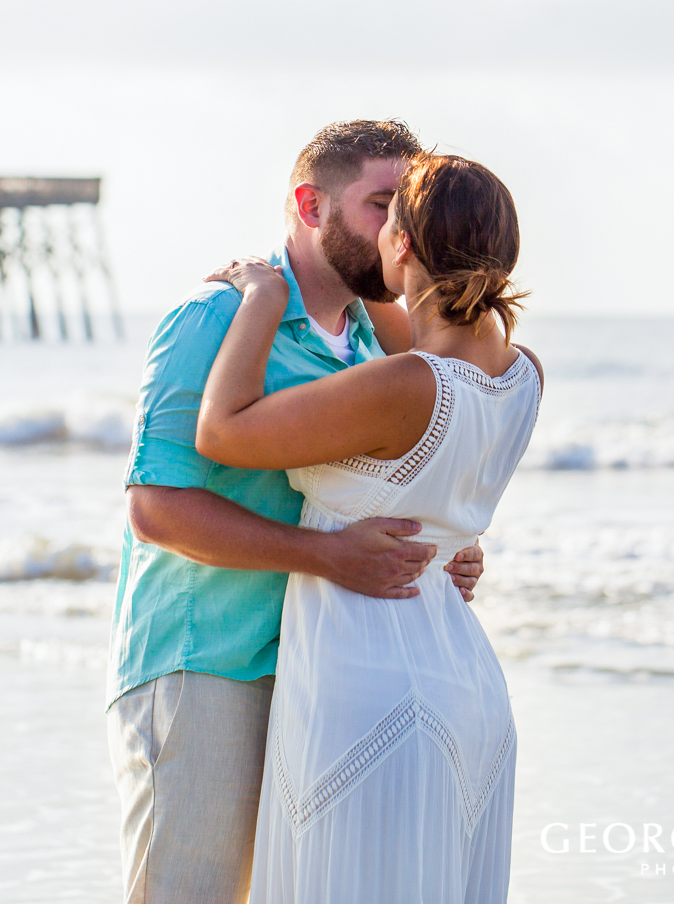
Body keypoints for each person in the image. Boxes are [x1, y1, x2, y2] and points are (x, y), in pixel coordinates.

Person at [107, 121, 487, 904]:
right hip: (206, 660)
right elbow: (155, 507)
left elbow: (370, 495)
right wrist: (326, 556)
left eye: (405, 211)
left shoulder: (368, 346)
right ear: (310, 205)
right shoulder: (213, 317)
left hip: (318, 668)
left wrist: (442, 553)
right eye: (381, 204)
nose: (399, 231)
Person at [196, 154, 541, 903]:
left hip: (368, 682)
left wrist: (262, 296)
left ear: (405, 246)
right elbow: (437, 469)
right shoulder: (523, 374)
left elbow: (222, 432)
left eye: (389, 218)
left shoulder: (403, 385)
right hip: (467, 682)